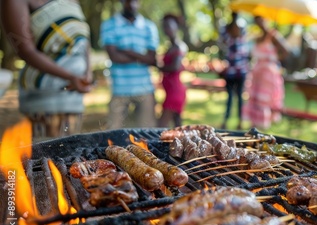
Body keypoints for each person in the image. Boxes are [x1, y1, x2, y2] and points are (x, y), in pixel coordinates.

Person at [0, 0, 92, 139]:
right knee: (47, 153)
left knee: (69, 151)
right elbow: (26, 51)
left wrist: (88, 74)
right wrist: (71, 77)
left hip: (74, 96)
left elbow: (83, 41)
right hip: (44, 98)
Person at [100, 0, 159, 129]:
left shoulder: (149, 26)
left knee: (147, 132)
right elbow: (114, 57)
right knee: (114, 133)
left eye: (135, 1)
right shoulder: (109, 25)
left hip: (145, 89)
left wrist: (125, 50)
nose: (132, 4)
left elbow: (152, 59)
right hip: (119, 88)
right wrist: (141, 56)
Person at [244, 16, 289, 130]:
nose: (259, 22)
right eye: (257, 19)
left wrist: (272, 59)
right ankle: (253, 128)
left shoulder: (273, 35)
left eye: (261, 19)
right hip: (257, 74)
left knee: (264, 101)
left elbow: (286, 51)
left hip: (268, 75)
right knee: (255, 100)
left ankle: (262, 127)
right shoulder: (257, 37)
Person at [219, 12, 250, 130]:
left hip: (241, 69)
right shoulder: (226, 29)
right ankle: (226, 120)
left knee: (240, 97)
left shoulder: (242, 27)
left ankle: (240, 121)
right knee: (230, 97)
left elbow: (240, 37)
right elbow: (223, 42)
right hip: (230, 70)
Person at [157, 14, 188, 128]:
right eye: (164, 26)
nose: (166, 29)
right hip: (170, 91)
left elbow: (175, 67)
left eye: (169, 26)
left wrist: (158, 66)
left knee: (159, 127)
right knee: (178, 127)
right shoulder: (171, 46)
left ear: (176, 27)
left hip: (175, 92)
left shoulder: (179, 46)